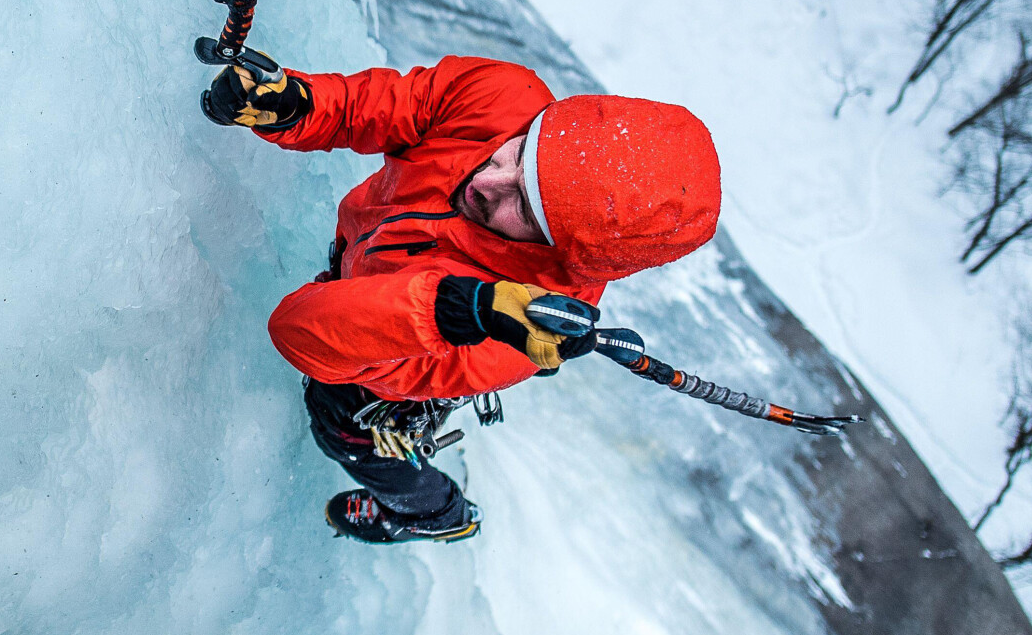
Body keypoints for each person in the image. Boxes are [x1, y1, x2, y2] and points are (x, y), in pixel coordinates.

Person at [204, 51, 722, 543]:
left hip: (394, 362)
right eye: (522, 151)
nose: (488, 179)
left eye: (523, 204)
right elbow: (382, 106)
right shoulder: (501, 97)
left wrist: (451, 311)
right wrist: (299, 105)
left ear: (558, 252)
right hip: (368, 263)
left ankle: (434, 513)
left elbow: (299, 333)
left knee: (342, 428)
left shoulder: (511, 341)